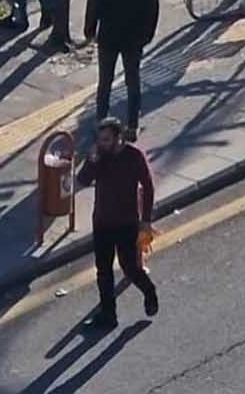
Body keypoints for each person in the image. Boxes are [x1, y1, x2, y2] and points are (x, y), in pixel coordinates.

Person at [74, 117, 159, 330]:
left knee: (129, 267)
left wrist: (146, 221)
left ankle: (149, 291)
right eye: (100, 139)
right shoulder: (98, 156)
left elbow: (148, 187)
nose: (102, 143)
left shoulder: (134, 156)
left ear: (118, 138)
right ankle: (108, 315)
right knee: (103, 270)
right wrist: (91, 160)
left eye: (106, 139)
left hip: (126, 222)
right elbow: (82, 181)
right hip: (102, 222)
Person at [85, 0, 160, 140]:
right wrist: (147, 35)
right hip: (133, 40)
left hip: (108, 37)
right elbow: (152, 8)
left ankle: (101, 122)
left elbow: (94, 5)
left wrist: (90, 30)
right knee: (133, 81)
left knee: (105, 82)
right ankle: (132, 125)